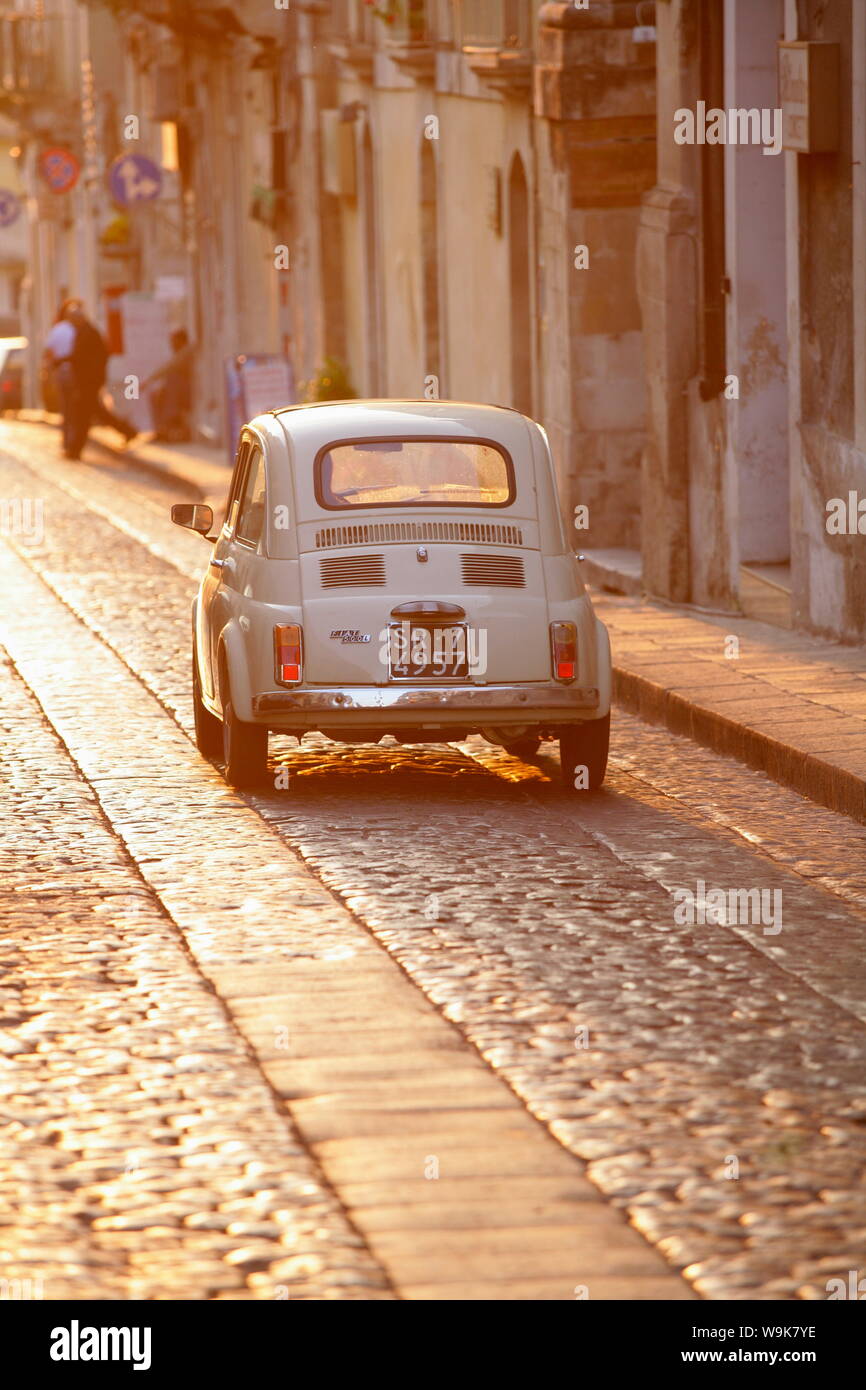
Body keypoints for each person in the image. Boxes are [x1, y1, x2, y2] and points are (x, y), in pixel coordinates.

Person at [64, 304, 137, 460]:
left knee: (82, 416)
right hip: (86, 381)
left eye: (72, 319)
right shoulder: (83, 332)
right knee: (95, 413)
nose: (70, 322)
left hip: (88, 382)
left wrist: (93, 378)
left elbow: (94, 358)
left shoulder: (90, 333)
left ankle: (75, 450)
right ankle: (128, 431)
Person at [143, 328, 194, 441]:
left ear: (181, 341)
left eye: (174, 341)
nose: (172, 345)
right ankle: (162, 429)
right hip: (176, 393)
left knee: (171, 382)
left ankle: (167, 428)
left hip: (186, 394)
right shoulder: (179, 353)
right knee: (157, 395)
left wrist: (149, 380)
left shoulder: (186, 352)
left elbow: (169, 367)